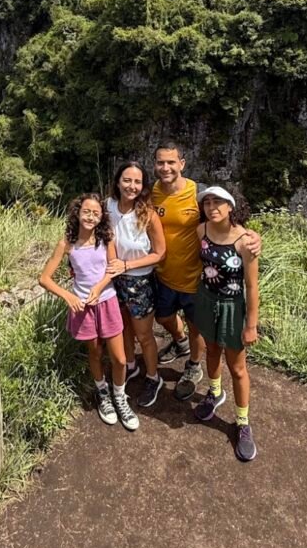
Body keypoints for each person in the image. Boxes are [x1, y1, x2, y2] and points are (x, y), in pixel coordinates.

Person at [151, 142, 261, 401]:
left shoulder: (197, 193)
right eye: (160, 162)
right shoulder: (151, 193)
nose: (165, 167)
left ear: (182, 164)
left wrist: (253, 236)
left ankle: (193, 366)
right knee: (163, 317)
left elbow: (224, 218)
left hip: (196, 280)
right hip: (164, 274)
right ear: (155, 164)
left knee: (197, 328)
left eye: (171, 162)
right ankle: (180, 342)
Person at [38, 193, 139, 431]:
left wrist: (98, 287)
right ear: (77, 212)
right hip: (82, 306)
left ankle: (120, 396)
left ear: (102, 216)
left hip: (107, 300)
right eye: (86, 211)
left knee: (120, 358)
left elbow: (112, 270)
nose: (90, 217)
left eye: (96, 213)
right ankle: (103, 393)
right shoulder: (67, 244)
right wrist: (69, 296)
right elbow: (44, 278)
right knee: (94, 353)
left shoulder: (106, 239)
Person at [191, 185, 259, 461]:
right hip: (206, 300)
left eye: (218, 202)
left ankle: (242, 422)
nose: (211, 208)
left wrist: (251, 325)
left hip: (233, 307)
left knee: (238, 367)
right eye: (207, 203)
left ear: (231, 206)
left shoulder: (245, 242)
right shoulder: (202, 231)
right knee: (212, 351)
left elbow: (252, 287)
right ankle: (215, 393)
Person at [105, 161, 167, 408]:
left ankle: (153, 377)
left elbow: (160, 253)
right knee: (123, 329)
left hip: (140, 282)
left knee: (144, 335)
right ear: (118, 182)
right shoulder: (107, 207)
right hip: (115, 280)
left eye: (137, 181)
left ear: (142, 186)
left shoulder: (148, 214)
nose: (131, 186)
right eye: (127, 180)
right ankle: (130, 365)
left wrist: (127, 266)